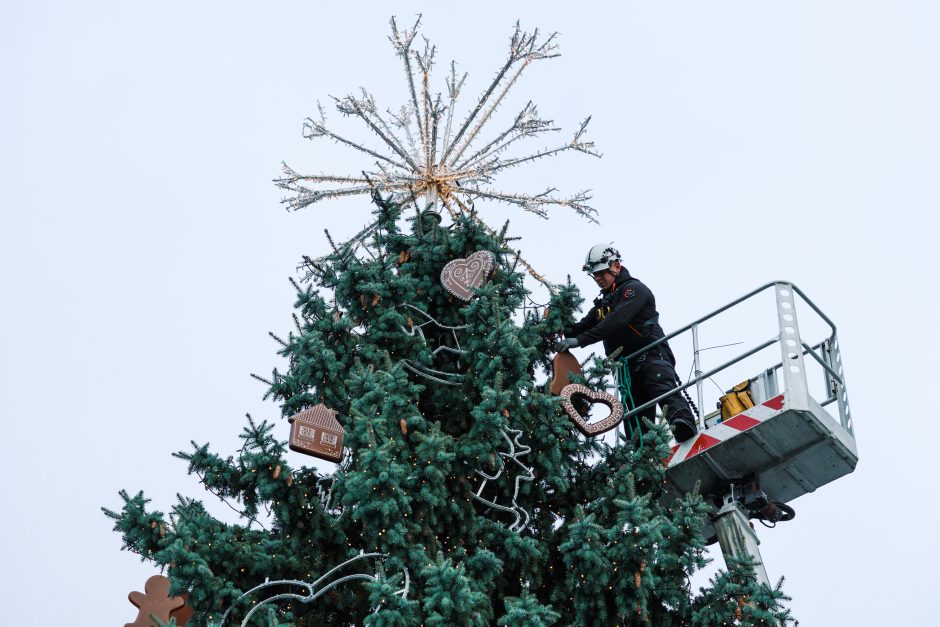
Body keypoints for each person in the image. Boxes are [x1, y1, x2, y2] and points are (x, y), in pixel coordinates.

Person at [555, 243, 699, 444]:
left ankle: (684, 429)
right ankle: (644, 458)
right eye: (594, 275)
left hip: (651, 356)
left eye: (602, 273)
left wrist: (580, 341)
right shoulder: (603, 303)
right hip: (627, 368)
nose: (598, 278)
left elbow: (617, 320)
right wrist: (556, 323)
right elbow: (581, 327)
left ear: (615, 266)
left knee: (663, 390)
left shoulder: (634, 290)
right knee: (635, 417)